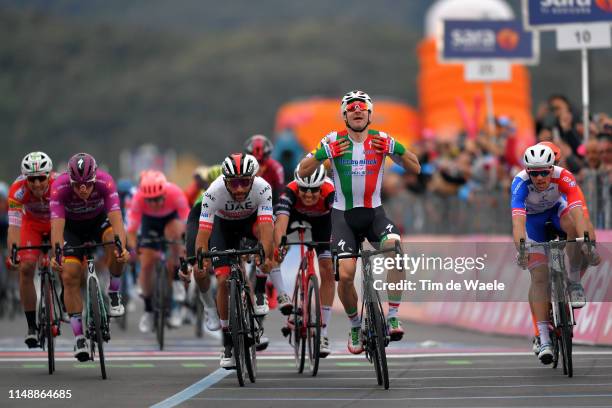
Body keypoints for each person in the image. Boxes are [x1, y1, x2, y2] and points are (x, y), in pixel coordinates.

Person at [298, 90, 421, 354]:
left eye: (361, 108)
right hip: (343, 218)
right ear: (344, 114)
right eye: (351, 108)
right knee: (345, 275)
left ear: (369, 114)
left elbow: (416, 167)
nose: (357, 111)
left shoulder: (381, 139)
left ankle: (393, 315)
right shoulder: (332, 139)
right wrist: (323, 154)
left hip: (374, 215)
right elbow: (302, 171)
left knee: (397, 252)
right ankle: (355, 325)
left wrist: (394, 149)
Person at [185, 153, 274, 369]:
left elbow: (265, 229)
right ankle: (227, 341)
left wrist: (266, 254)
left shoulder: (263, 188)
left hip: (249, 223)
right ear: (225, 181)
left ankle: (254, 308)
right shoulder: (213, 192)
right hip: (221, 228)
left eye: (245, 182)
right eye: (234, 184)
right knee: (224, 278)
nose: (240, 189)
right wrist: (201, 259)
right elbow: (204, 234)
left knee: (267, 253)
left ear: (253, 180)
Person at [511, 145, 598, 365]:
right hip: (533, 225)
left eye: (544, 172)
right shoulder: (520, 183)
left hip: (557, 214)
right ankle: (544, 336)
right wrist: (522, 248)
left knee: (575, 225)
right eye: (534, 172)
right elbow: (518, 222)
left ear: (553, 168)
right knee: (539, 277)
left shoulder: (564, 177)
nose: (540, 177)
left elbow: (578, 211)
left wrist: (586, 240)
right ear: (527, 171)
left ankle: (574, 281)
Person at [50, 153, 129, 362]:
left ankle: (114, 291)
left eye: (87, 184)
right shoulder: (59, 187)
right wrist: (57, 255)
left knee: (115, 244)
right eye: (77, 185)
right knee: (69, 275)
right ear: (70, 180)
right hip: (72, 230)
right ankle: (79, 337)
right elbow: (56, 228)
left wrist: (122, 247)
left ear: (95, 179)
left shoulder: (106, 182)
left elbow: (117, 219)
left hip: (98, 223)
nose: (82, 189)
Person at [273, 163, 335, 357]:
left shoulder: (331, 191)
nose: (308, 195)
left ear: (321, 187)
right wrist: (280, 244)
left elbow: (340, 222)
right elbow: (281, 224)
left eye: (314, 190)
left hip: (322, 223)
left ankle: (323, 331)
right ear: (297, 185)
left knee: (327, 268)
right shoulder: (290, 191)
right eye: (304, 190)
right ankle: (282, 294)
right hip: (294, 216)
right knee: (274, 246)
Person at [126, 170, 190, 332]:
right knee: (146, 263)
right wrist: (135, 250)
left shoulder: (175, 192)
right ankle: (148, 310)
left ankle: (176, 280)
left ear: (164, 193)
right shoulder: (138, 198)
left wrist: (184, 246)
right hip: (150, 224)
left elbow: (187, 222)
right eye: (150, 200)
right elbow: (132, 231)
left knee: (174, 235)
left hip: (171, 221)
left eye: (157, 199)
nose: (154, 204)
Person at [6, 152, 56, 348]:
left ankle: (63, 295)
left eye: (41, 178)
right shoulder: (17, 190)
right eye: (32, 179)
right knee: (26, 268)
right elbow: (14, 227)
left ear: (49, 175)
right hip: (31, 225)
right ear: (25, 178)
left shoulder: (59, 185)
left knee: (65, 262)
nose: (36, 184)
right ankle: (32, 327)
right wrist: (13, 254)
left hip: (55, 222)